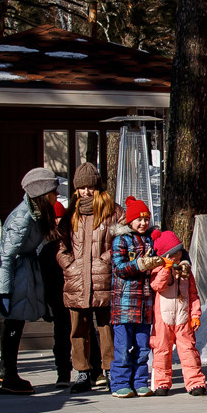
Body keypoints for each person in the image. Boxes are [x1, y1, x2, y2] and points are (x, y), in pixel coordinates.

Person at [0, 167, 59, 394]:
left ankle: (5, 370)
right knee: (13, 321)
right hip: (13, 272)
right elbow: (6, 256)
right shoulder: (22, 217)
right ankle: (9, 377)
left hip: (24, 270)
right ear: (43, 194)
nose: (56, 196)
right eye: (53, 192)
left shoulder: (37, 212)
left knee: (16, 321)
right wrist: (4, 291)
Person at [55, 163, 118, 391]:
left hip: (103, 279)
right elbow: (60, 245)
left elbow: (122, 240)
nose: (86, 192)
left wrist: (105, 260)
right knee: (78, 329)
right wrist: (69, 265)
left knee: (106, 328)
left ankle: (110, 370)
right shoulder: (71, 214)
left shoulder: (112, 211)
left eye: (90, 187)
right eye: (82, 187)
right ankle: (82, 372)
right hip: (77, 280)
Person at [145, 229, 206, 396]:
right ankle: (161, 383)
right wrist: (166, 269)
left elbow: (193, 295)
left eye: (178, 252)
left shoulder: (186, 271)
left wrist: (195, 315)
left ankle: (195, 382)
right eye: (171, 254)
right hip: (163, 319)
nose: (175, 257)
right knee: (161, 351)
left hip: (183, 318)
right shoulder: (158, 269)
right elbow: (157, 286)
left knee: (189, 351)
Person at [110, 197, 158, 397]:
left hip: (145, 305)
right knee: (122, 348)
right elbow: (119, 268)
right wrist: (139, 264)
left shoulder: (150, 239)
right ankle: (120, 383)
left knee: (143, 348)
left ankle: (139, 382)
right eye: (139, 219)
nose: (143, 223)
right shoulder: (121, 240)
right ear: (130, 221)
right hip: (124, 305)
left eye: (146, 219)